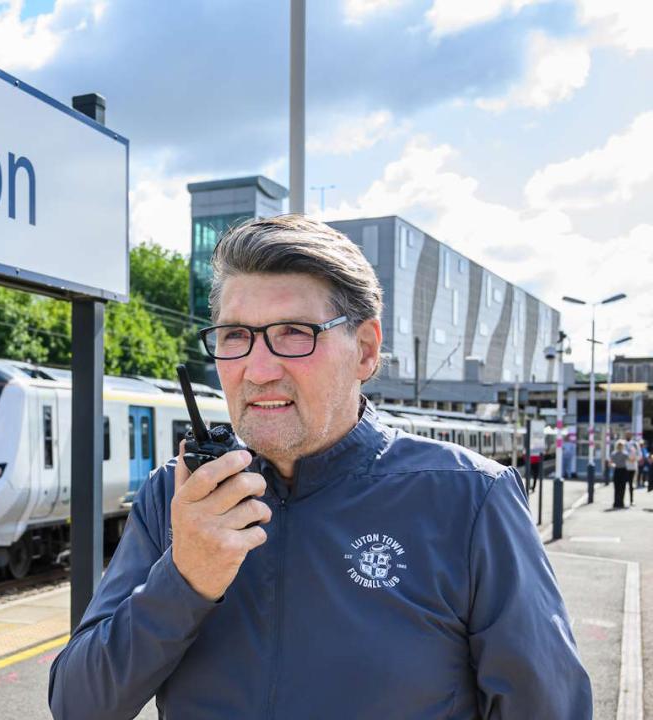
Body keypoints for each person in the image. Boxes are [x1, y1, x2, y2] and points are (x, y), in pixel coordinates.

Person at [48, 215, 592, 719]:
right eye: (235, 335)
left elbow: (546, 706)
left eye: (294, 333)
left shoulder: (470, 499)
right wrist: (186, 578)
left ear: (365, 350)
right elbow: (79, 704)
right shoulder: (178, 494)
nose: (258, 370)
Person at [611, 439, 630, 509]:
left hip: (620, 470)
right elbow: (630, 460)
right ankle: (618, 503)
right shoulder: (624, 453)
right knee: (620, 488)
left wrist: (613, 465)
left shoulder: (616, 453)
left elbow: (611, 463)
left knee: (619, 488)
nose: (620, 447)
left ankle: (618, 503)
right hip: (620, 470)